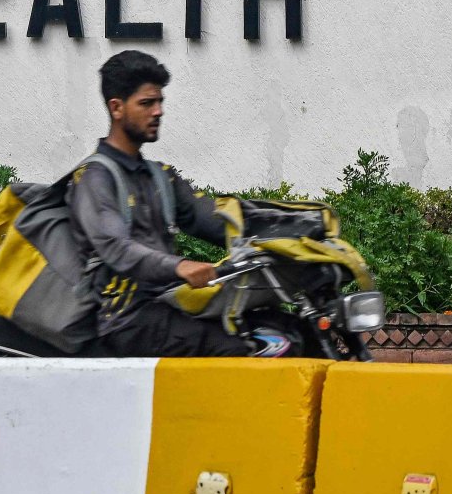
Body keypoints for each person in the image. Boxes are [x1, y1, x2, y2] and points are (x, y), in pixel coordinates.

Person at [67, 50, 289, 358]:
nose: (158, 111)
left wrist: (287, 230)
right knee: (238, 349)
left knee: (281, 328)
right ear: (116, 108)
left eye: (160, 102)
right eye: (147, 103)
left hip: (170, 304)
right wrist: (180, 266)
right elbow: (117, 248)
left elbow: (215, 220)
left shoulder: (160, 177)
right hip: (126, 320)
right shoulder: (93, 178)